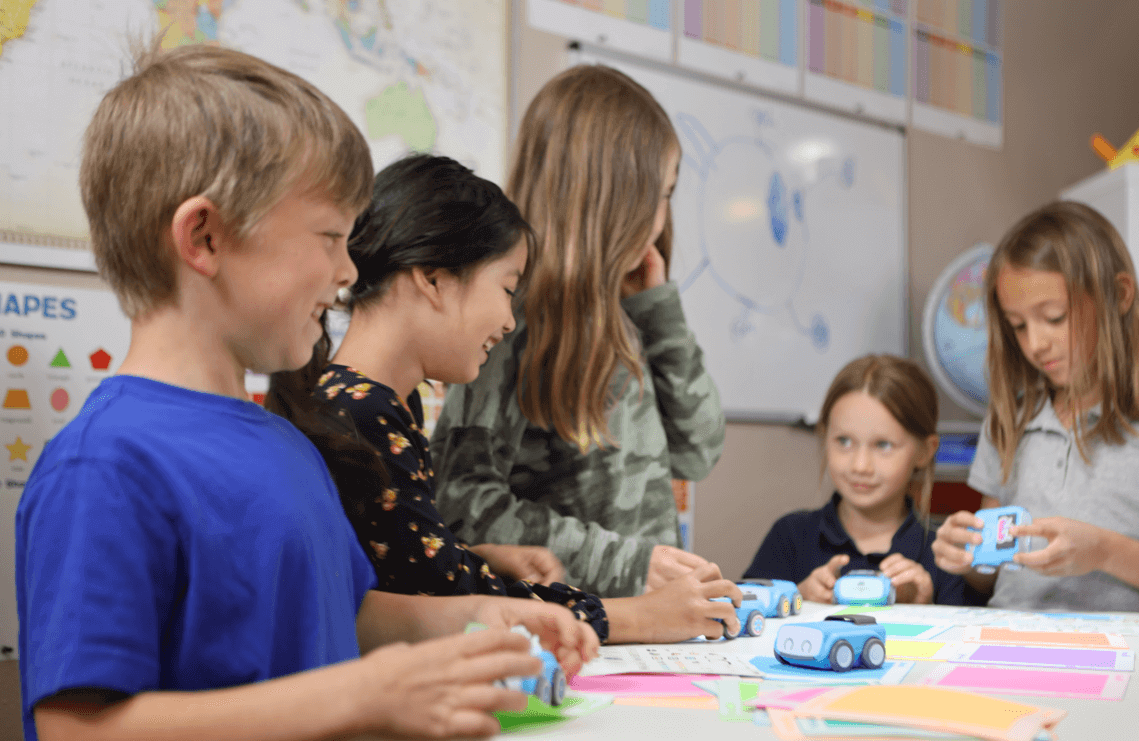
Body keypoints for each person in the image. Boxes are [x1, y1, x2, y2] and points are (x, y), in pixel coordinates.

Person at [16, 44, 595, 741]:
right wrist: (358, 694)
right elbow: (76, 728)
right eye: (329, 237)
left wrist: (470, 618)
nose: (349, 269)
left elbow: (340, 612)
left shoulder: (287, 443)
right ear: (204, 236)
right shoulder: (104, 465)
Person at [268, 153, 743, 643]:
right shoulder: (364, 415)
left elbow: (403, 564)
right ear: (433, 279)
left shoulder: (380, 404)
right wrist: (635, 617)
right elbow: (448, 603)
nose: (510, 320)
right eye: (507, 289)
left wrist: (481, 556)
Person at [431, 64, 727, 598]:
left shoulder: (626, 314)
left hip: (643, 627)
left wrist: (659, 313)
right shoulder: (510, 320)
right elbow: (462, 502)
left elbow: (699, 449)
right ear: (616, 199)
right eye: (661, 195)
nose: (663, 216)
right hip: (570, 625)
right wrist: (630, 565)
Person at [932, 200, 1139, 611]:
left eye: (1054, 317)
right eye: (1019, 326)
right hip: (1010, 639)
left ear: (1120, 295)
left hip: (1129, 654)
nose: (1036, 344)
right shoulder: (1009, 420)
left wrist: (1105, 552)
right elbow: (989, 575)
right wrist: (966, 555)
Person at [744, 355, 982, 606]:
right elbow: (745, 619)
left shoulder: (945, 554)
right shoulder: (790, 536)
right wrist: (794, 600)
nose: (860, 466)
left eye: (883, 445)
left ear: (924, 451)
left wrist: (925, 609)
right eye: (844, 441)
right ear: (825, 437)